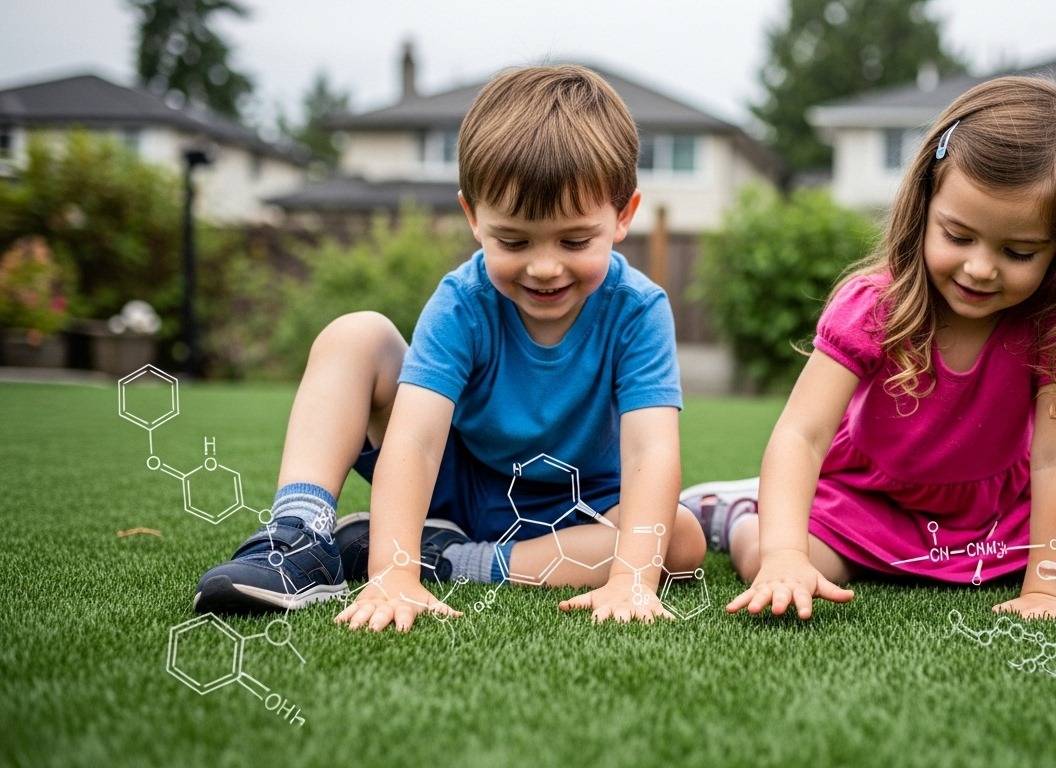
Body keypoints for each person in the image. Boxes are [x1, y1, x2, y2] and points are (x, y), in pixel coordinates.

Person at [194, 64, 705, 630]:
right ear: (473, 217)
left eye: (575, 240)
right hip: (456, 485)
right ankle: (300, 535)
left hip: (576, 510)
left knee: (678, 543)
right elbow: (413, 442)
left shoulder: (638, 308)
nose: (543, 266)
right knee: (355, 334)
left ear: (622, 216)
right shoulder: (462, 303)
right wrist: (391, 576)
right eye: (512, 240)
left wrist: (632, 579)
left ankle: (452, 560)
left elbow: (649, 453)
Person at [684, 75, 1056, 621]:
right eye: (958, 237)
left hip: (1003, 507)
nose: (980, 268)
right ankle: (744, 509)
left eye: (1019, 251)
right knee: (769, 559)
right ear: (924, 206)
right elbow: (802, 434)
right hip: (869, 501)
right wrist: (784, 554)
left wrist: (1045, 592)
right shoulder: (874, 306)